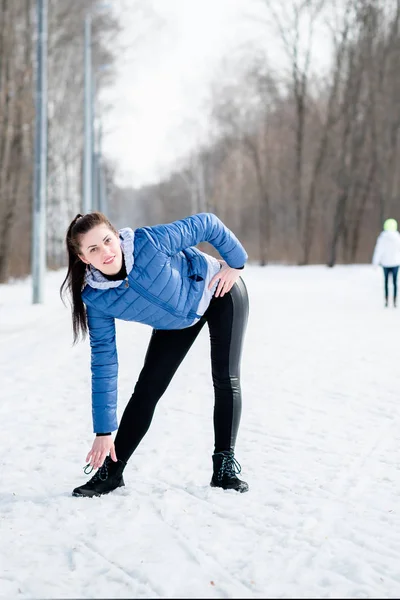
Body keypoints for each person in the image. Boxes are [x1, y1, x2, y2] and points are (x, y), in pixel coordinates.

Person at [60, 211, 250, 497]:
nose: (106, 252)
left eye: (108, 241)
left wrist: (236, 264)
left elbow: (208, 223)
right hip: (176, 321)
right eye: (94, 249)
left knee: (224, 378)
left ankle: (224, 467)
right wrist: (103, 431)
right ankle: (113, 471)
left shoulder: (150, 242)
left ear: (116, 236)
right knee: (147, 390)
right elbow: (104, 362)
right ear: (84, 258)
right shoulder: (97, 297)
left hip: (218, 289)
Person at [372, 218, 400, 308]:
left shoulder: (382, 237)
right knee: (395, 282)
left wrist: (375, 262)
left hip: (386, 263)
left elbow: (378, 250)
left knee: (386, 282)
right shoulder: (397, 237)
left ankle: (387, 300)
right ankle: (395, 300)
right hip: (395, 262)